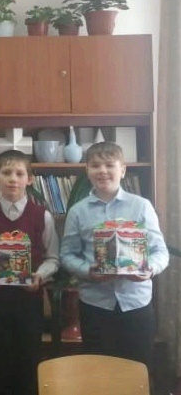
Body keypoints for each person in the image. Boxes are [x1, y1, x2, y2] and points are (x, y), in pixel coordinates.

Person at [60, 141, 168, 373]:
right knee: (100, 373)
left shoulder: (142, 206)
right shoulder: (78, 211)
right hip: (95, 305)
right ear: (87, 170)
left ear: (123, 170)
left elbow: (160, 251)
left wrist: (149, 269)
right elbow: (67, 254)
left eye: (110, 165)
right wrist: (87, 271)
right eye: (95, 165)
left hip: (136, 303)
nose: (103, 171)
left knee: (138, 371)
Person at [0, 150, 59, 395]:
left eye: (20, 174)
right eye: (6, 173)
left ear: (29, 179)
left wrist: (39, 276)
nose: (13, 179)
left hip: (29, 300)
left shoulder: (42, 216)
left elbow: (53, 258)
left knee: (28, 360)